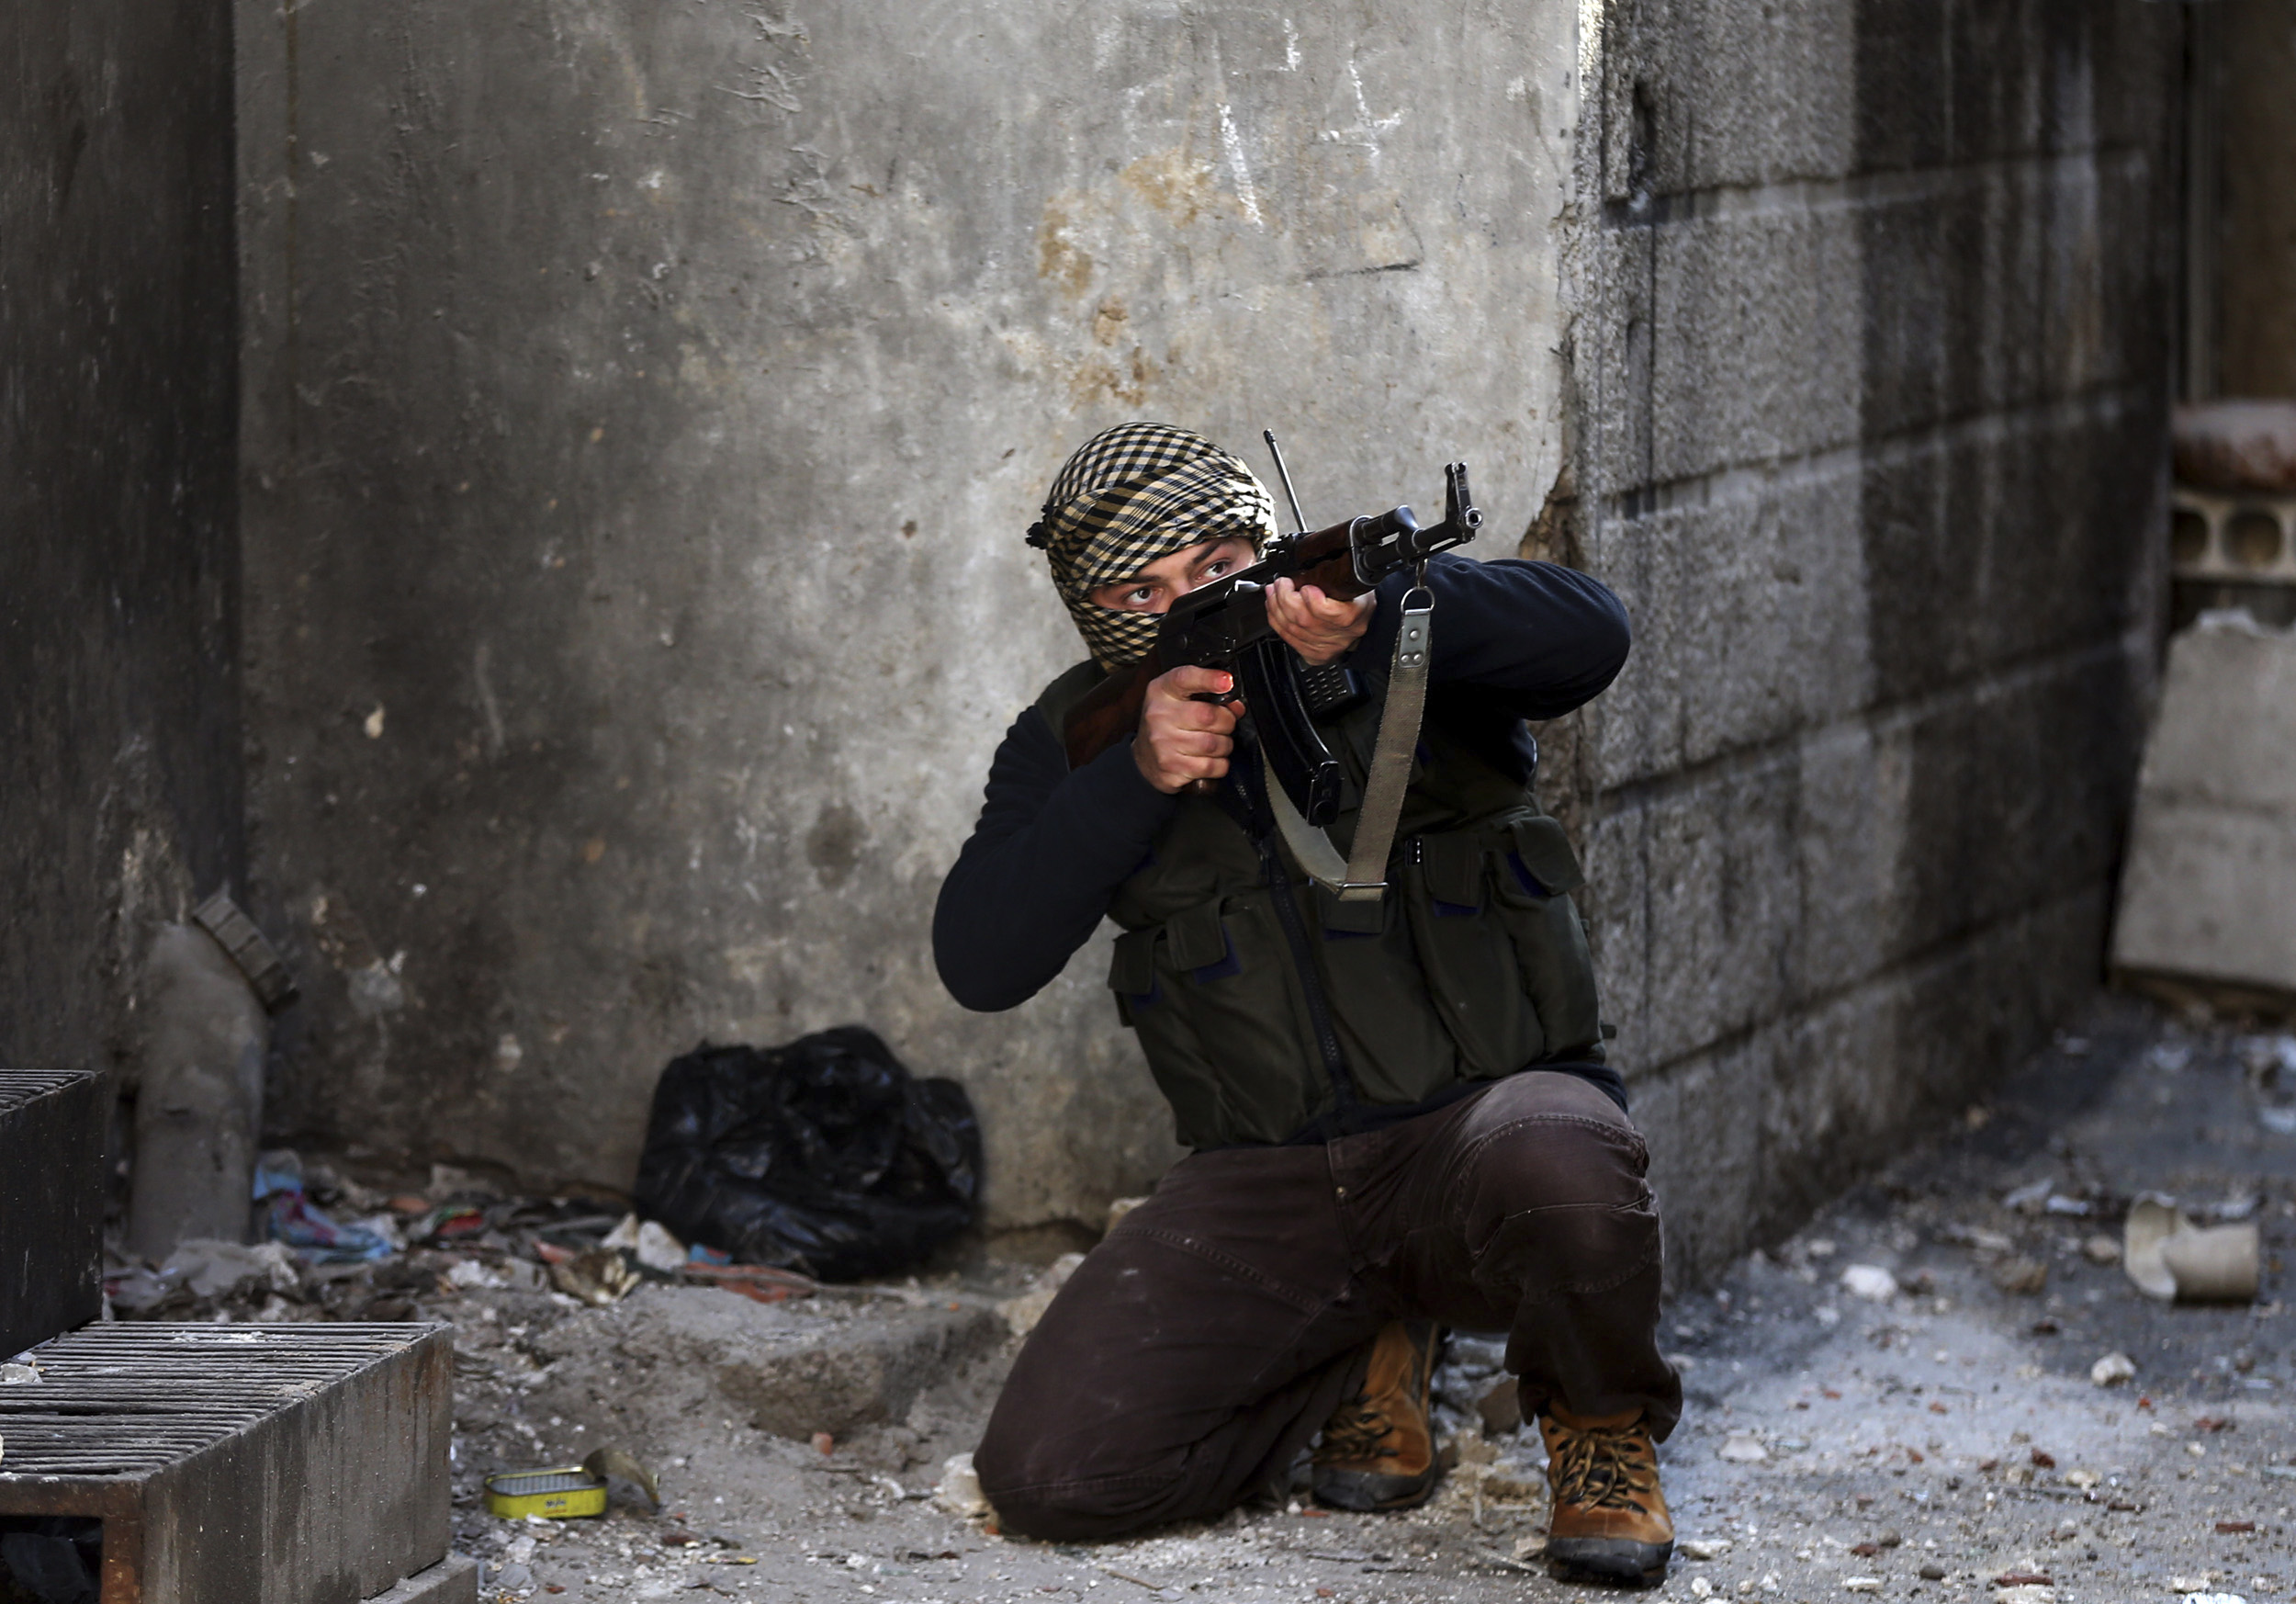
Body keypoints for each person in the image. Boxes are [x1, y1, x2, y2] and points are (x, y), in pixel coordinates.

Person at [932, 422, 1681, 1587]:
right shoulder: (1075, 735)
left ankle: (1599, 1429)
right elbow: (980, 961)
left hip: (1474, 1140)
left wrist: (1390, 620)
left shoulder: (1391, 619)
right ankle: (1359, 1347)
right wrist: (1133, 778)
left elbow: (1595, 635)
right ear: (1094, 611)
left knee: (1564, 1151)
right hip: (1269, 1185)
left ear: (1263, 545)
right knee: (1053, 1475)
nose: (1187, 601)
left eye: (1215, 564)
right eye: (1142, 591)